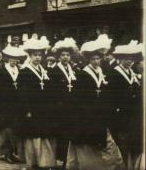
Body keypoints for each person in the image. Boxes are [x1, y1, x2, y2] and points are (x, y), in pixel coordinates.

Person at [66, 40, 124, 170]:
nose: (96, 62)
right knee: (88, 142)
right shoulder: (82, 75)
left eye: (98, 59)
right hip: (87, 116)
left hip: (101, 115)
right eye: (93, 59)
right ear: (88, 60)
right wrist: (89, 111)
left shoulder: (102, 73)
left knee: (106, 142)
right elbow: (78, 98)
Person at [18, 36, 58, 169]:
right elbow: (22, 93)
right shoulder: (24, 72)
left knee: (43, 134)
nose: (37, 58)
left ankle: (44, 161)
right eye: (35, 55)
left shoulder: (44, 70)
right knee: (33, 135)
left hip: (43, 108)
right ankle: (34, 161)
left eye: (39, 55)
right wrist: (27, 110)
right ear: (29, 56)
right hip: (32, 108)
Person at [107, 40, 143, 170]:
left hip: (132, 115)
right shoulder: (114, 74)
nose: (130, 62)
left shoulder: (132, 73)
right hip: (120, 114)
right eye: (127, 59)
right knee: (121, 142)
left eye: (132, 59)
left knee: (130, 142)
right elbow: (112, 97)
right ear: (120, 59)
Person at [0, 45, 27, 163]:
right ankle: (7, 154)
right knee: (6, 130)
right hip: (5, 106)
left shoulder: (20, 71)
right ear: (7, 58)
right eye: (11, 58)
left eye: (16, 58)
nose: (14, 60)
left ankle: (12, 153)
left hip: (17, 106)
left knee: (15, 130)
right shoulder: (1, 71)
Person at [49, 37, 78, 168]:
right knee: (61, 133)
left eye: (67, 55)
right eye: (63, 55)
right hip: (59, 108)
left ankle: (68, 159)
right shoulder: (53, 71)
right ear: (58, 57)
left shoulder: (73, 70)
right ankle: (60, 158)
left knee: (70, 133)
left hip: (72, 108)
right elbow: (52, 93)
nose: (65, 57)